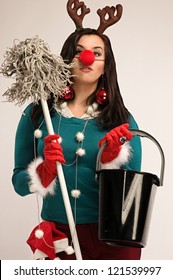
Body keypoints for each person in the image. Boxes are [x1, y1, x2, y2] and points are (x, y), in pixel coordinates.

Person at [12, 26, 142, 260]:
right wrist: (44, 172)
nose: (87, 58)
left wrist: (111, 161)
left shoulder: (121, 118)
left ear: (106, 66)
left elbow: (134, 194)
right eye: (79, 51)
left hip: (113, 239)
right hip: (60, 236)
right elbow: (18, 182)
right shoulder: (38, 113)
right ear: (66, 60)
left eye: (97, 52)